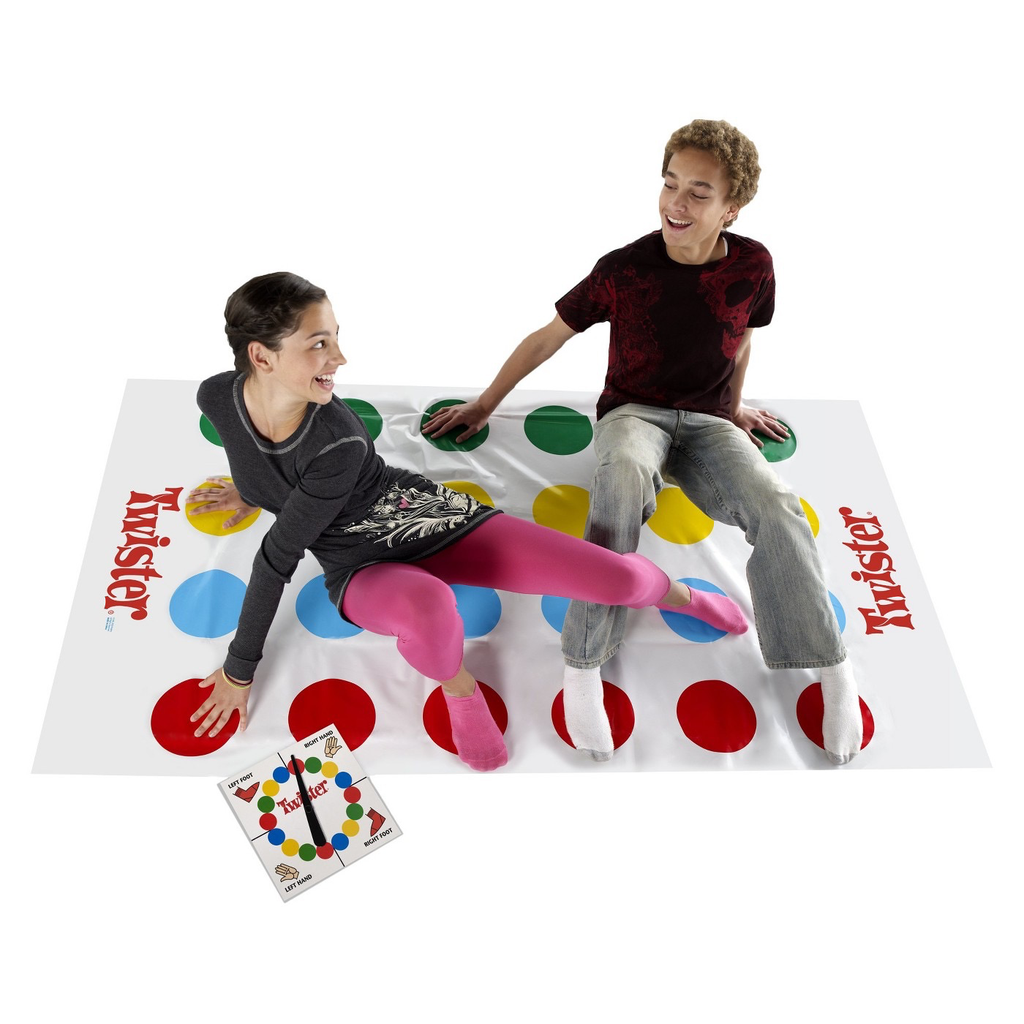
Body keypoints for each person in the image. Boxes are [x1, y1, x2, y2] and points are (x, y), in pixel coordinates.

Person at [424, 119, 863, 765]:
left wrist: (734, 409)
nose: (676, 203)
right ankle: (583, 663)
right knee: (621, 480)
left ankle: (828, 663)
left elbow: (741, 337)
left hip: (709, 424)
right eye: (669, 184)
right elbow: (548, 337)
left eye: (698, 192)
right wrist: (486, 403)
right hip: (633, 414)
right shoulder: (624, 269)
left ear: (731, 208)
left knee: (778, 506)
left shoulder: (754, 264)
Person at [188, 271, 749, 771]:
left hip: (431, 518)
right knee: (430, 608)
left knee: (619, 577)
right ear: (261, 357)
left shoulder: (338, 441)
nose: (340, 357)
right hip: (356, 565)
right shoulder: (216, 397)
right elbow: (274, 545)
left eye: (335, 337)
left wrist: (238, 668)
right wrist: (250, 493)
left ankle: (680, 596)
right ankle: (459, 689)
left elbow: (285, 526)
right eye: (319, 343)